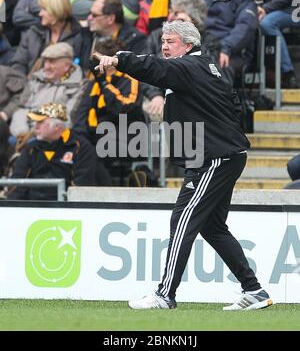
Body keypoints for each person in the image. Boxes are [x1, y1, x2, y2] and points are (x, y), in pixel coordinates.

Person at [93, 20, 273, 310]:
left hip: (213, 157)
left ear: (189, 45)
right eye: (163, 40)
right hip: (223, 154)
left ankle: (165, 293)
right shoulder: (206, 67)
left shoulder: (187, 67)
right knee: (213, 228)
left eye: (171, 41)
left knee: (182, 221)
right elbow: (233, 107)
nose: (164, 46)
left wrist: (119, 60)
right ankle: (254, 291)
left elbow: (154, 68)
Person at [6, 102, 98, 200]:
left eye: (40, 122)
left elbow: (81, 187)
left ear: (57, 127)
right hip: (32, 207)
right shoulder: (31, 148)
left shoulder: (81, 147)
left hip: (66, 209)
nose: (35, 127)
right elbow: (17, 184)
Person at [244, 0, 300, 89]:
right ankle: (249, 70)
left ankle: (288, 73)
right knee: (246, 19)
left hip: (293, 8)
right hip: (262, 8)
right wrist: (256, 7)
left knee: (267, 23)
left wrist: (266, 8)